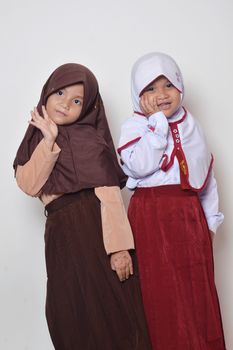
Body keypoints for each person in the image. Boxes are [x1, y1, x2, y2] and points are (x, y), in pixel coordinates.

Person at [13, 63, 152, 350]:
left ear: (88, 106)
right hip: (61, 235)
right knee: (69, 313)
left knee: (115, 310)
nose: (65, 103)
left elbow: (111, 198)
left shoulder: (93, 139)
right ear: (47, 93)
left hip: (98, 230)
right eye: (60, 93)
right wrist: (49, 140)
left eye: (77, 100)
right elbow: (29, 185)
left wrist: (120, 249)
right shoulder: (37, 138)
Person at [118, 52, 226, 349]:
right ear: (138, 94)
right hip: (151, 219)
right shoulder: (135, 127)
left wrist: (210, 224)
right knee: (161, 295)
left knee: (195, 296)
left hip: (189, 219)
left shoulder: (193, 126)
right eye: (150, 89)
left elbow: (205, 179)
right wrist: (156, 125)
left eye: (168, 85)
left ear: (180, 86)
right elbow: (140, 166)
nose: (161, 95)